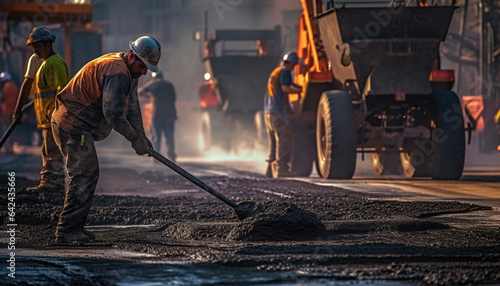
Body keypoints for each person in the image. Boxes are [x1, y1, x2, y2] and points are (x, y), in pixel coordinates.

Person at [51, 36, 161, 244]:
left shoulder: (129, 70)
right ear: (132, 56)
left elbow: (133, 106)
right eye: (143, 65)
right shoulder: (118, 73)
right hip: (73, 125)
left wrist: (142, 137)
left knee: (87, 173)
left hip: (74, 123)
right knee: (84, 174)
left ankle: (74, 228)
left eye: (148, 68)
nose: (144, 71)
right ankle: (67, 231)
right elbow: (113, 114)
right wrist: (133, 139)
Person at [16, 27, 68, 192]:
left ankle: (53, 183)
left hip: (53, 117)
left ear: (47, 45)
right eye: (33, 47)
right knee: (47, 150)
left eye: (37, 47)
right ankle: (50, 181)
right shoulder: (46, 63)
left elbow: (62, 92)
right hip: (46, 117)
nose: (35, 51)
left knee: (51, 151)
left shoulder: (55, 63)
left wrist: (60, 116)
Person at [263, 51, 302, 178]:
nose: (293, 68)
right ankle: (282, 169)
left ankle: (270, 170)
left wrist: (297, 86)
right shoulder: (285, 71)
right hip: (278, 112)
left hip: (268, 113)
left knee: (274, 141)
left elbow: (288, 85)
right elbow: (285, 88)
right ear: (290, 63)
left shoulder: (276, 71)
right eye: (294, 65)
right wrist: (300, 90)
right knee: (284, 139)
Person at [139, 70, 177, 162]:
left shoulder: (154, 85)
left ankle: (156, 157)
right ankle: (171, 156)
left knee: (156, 137)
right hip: (169, 115)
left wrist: (150, 91)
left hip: (157, 115)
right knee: (169, 137)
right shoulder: (169, 85)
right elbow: (173, 99)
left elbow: (140, 92)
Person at [0, 71, 19, 154]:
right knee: (12, 129)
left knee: (7, 129)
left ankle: (8, 147)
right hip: (14, 111)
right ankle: (11, 147)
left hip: (7, 111)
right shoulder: (14, 86)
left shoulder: (5, 88)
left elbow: (2, 98)